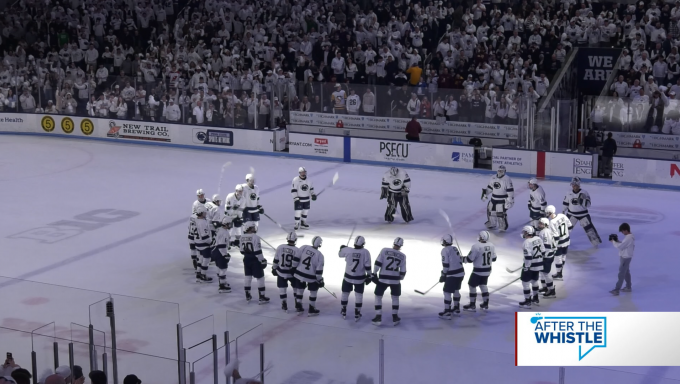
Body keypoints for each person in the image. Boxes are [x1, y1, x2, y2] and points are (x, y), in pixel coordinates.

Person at [371, 237, 407, 326]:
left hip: (383, 278)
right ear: (401, 245)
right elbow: (403, 271)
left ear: (393, 243)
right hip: (395, 280)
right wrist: (400, 278)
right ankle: (395, 317)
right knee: (395, 298)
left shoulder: (384, 250)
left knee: (378, 296)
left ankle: (378, 316)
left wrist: (374, 274)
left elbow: (377, 263)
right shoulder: (403, 256)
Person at [338, 236, 372, 321]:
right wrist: (369, 275)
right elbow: (368, 266)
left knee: (345, 294)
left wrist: (342, 248)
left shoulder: (348, 250)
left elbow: (340, 254)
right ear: (363, 244)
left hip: (348, 277)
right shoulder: (366, 252)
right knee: (359, 296)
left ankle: (343, 310)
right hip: (360, 278)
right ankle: (357, 313)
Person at [462, 231, 497, 312]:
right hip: (488, 270)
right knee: (483, 285)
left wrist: (462, 259)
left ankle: (472, 304)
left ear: (481, 237)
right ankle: (485, 303)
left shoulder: (476, 246)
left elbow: (470, 259)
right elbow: (494, 259)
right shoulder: (491, 245)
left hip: (478, 270)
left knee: (472, 285)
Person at [562, 177, 602, 247]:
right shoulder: (568, 193)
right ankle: (563, 242)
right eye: (573, 185)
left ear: (579, 185)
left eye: (576, 185)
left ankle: (596, 243)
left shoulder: (584, 192)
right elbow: (566, 203)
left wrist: (581, 201)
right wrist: (563, 211)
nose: (574, 186)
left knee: (589, 229)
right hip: (571, 214)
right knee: (566, 229)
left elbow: (589, 204)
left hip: (583, 214)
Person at [292, 236, 325, 316]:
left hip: (299, 273)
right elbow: (318, 271)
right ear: (320, 244)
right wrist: (320, 280)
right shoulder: (320, 255)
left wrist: (293, 268)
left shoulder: (304, 247)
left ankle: (298, 307)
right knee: (313, 291)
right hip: (311, 277)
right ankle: (311, 308)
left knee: (299, 290)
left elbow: (296, 259)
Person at [239, 223, 270, 304]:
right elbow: (257, 251)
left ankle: (247, 295)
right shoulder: (255, 237)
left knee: (247, 277)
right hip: (255, 260)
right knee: (260, 278)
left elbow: (241, 251)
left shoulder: (242, 236)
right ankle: (262, 296)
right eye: (252, 227)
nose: (254, 228)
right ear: (249, 228)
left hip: (246, 259)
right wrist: (262, 260)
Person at [438, 234, 464, 319]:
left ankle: (447, 312)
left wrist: (443, 275)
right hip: (461, 273)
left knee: (447, 292)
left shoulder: (444, 250)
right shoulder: (455, 248)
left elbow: (446, 265)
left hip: (452, 274)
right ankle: (456, 309)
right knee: (456, 290)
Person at [272, 232, 299, 313]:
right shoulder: (297, 250)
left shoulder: (280, 247)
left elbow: (276, 260)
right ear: (295, 239)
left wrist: (274, 268)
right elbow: (297, 263)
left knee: (282, 289)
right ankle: (297, 304)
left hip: (281, 272)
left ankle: (284, 304)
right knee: (296, 289)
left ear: (287, 239)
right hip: (292, 273)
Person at [519, 226, 545, 309]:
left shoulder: (526, 242)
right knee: (534, 281)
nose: (523, 233)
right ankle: (535, 299)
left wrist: (527, 266)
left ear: (527, 232)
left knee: (525, 283)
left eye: (524, 232)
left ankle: (527, 301)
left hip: (531, 265)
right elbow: (543, 251)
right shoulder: (538, 238)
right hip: (539, 263)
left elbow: (528, 257)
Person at [482, 165, 514, 231]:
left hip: (502, 199)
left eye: (501, 171)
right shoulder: (493, 177)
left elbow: (510, 191)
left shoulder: (507, 179)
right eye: (499, 170)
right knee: (491, 211)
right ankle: (492, 223)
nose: (500, 172)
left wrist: (510, 201)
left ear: (504, 171)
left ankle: (503, 226)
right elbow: (490, 187)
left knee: (500, 213)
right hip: (493, 198)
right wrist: (486, 194)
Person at [546, 205, 571, 280]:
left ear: (550, 212)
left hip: (559, 243)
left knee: (558, 258)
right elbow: (570, 226)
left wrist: (554, 246)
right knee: (563, 256)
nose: (546, 214)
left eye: (547, 213)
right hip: (567, 240)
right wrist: (566, 235)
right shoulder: (562, 215)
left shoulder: (552, 222)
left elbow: (556, 236)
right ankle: (560, 271)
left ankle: (559, 273)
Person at [610, 223, 635, 296]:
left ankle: (617, 290)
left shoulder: (628, 238)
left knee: (621, 273)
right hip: (626, 257)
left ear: (626, 230)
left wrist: (613, 242)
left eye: (622, 231)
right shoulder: (630, 237)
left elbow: (620, 247)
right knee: (626, 272)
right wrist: (617, 240)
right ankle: (628, 287)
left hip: (625, 258)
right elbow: (624, 244)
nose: (622, 233)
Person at [193, 204, 214, 283]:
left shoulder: (196, 220)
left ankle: (198, 273)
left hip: (197, 243)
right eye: (205, 212)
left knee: (200, 259)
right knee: (206, 259)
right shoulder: (202, 222)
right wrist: (211, 242)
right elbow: (204, 236)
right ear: (201, 213)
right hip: (203, 244)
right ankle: (203, 275)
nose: (206, 213)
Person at [211, 217, 232, 293]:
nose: (230, 225)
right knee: (223, 269)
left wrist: (231, 243)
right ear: (226, 224)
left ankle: (222, 282)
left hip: (215, 251)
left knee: (218, 267)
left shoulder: (220, 230)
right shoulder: (224, 232)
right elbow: (221, 245)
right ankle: (222, 286)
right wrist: (225, 255)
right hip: (220, 252)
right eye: (229, 224)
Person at [537, 218, 557, 298]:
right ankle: (545, 287)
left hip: (547, 256)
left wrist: (543, 255)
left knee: (546, 273)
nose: (539, 225)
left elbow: (547, 246)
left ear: (545, 224)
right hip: (548, 255)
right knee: (542, 272)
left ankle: (551, 290)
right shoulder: (546, 231)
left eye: (541, 223)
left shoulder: (544, 232)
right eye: (539, 223)